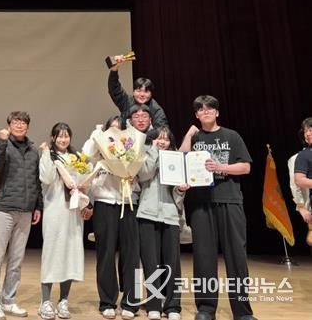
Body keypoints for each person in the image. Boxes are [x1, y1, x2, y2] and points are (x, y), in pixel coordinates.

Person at [180, 95, 258, 320]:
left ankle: (242, 312)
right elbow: (181, 159)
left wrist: (220, 167)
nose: (205, 112)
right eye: (200, 109)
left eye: (209, 109)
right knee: (203, 257)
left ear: (217, 112)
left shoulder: (231, 136)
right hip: (200, 203)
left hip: (230, 201)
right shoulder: (194, 138)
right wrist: (188, 134)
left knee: (236, 257)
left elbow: (245, 167)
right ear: (196, 115)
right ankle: (206, 309)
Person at [81, 104, 151, 320]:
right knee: (106, 253)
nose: (115, 134)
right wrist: (97, 135)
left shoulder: (133, 145)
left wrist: (130, 171)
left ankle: (131, 302)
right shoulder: (98, 144)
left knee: (132, 255)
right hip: (105, 202)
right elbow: (85, 154)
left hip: (129, 203)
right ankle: (107, 301)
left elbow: (142, 168)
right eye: (111, 129)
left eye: (119, 130)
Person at [0, 111, 43, 320]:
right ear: (9, 125)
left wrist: (38, 206)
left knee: (16, 260)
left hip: (26, 211)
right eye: (15, 122)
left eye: (23, 122)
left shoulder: (34, 150)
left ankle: (9, 300)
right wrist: (1, 142)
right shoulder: (3, 144)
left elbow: (37, 180)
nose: (19, 125)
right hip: (5, 208)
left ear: (27, 126)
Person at [38, 122, 93, 320]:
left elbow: (86, 184)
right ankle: (45, 301)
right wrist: (46, 154)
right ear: (53, 138)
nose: (63, 139)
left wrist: (85, 196)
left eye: (66, 136)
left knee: (70, 254)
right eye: (59, 136)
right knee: (52, 253)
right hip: (55, 212)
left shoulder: (77, 158)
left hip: (73, 214)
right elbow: (46, 178)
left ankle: (63, 300)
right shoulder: (50, 156)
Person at [136, 126, 186, 320]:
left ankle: (173, 306)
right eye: (159, 138)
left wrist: (181, 190)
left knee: (172, 263)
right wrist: (155, 152)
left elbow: (177, 195)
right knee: (151, 262)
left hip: (170, 215)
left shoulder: (176, 159)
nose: (162, 141)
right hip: (147, 214)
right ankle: (154, 305)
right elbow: (144, 175)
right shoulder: (145, 155)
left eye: (166, 139)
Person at [108, 55, 168, 128]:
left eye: (146, 91)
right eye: (139, 91)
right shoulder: (127, 101)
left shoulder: (156, 110)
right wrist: (114, 69)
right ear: (133, 92)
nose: (142, 94)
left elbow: (161, 129)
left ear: (151, 94)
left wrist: (139, 134)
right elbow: (114, 89)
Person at [293, 117, 312, 244]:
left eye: (310, 130)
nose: (307, 134)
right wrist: (301, 208)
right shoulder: (303, 156)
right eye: (305, 131)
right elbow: (299, 181)